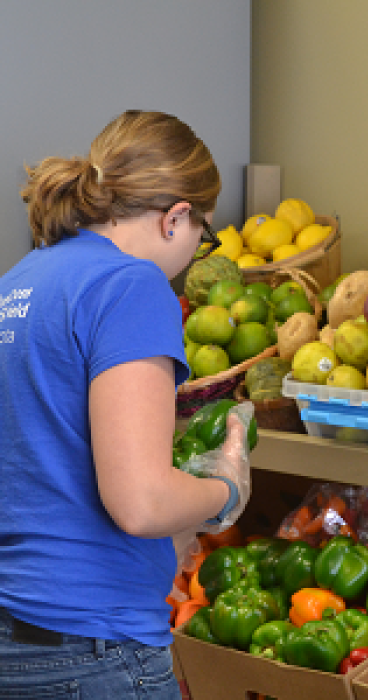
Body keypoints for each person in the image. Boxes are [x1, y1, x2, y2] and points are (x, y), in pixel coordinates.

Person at [0, 110, 250, 699]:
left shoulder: (21, 281)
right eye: (203, 235)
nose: (196, 253)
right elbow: (139, 504)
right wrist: (226, 490)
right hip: (90, 652)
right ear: (176, 217)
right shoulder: (131, 285)